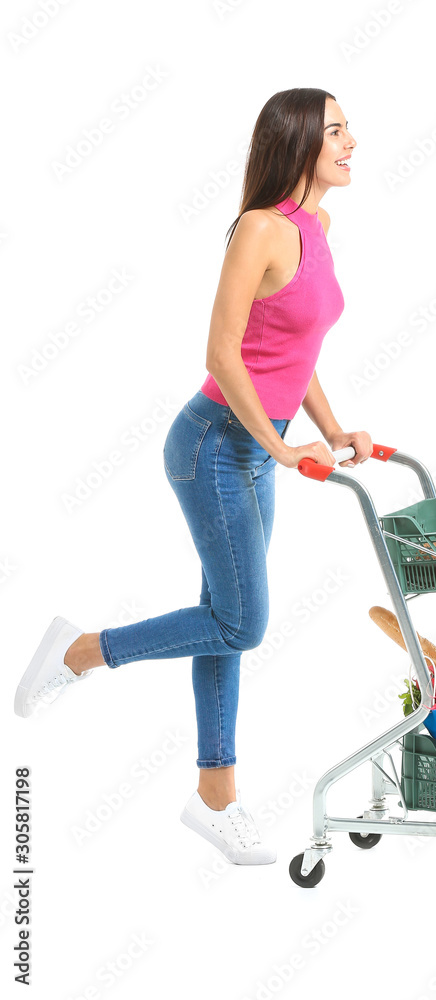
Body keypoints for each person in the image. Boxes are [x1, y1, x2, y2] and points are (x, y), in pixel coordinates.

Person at [14, 87, 372, 867]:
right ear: (300, 140)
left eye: (350, 129)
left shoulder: (320, 228)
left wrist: (332, 431)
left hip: (263, 442)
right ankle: (80, 651)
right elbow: (222, 355)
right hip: (214, 443)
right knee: (244, 622)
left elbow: (293, 350)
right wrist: (281, 454)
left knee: (225, 614)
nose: (353, 142)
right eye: (338, 130)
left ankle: (215, 797)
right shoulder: (260, 229)